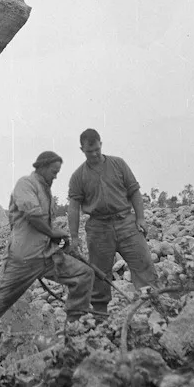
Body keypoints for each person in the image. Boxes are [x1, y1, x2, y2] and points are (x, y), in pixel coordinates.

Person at [0, 150, 95, 351]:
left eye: (58, 172)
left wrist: (58, 241)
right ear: (41, 167)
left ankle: (72, 331)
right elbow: (33, 216)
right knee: (1, 300)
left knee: (84, 274)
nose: (56, 175)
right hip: (23, 259)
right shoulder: (26, 184)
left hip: (47, 256)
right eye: (53, 171)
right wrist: (54, 232)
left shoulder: (45, 190)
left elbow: (43, 228)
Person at [67, 128, 158, 318]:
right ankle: (102, 319)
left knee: (144, 265)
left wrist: (140, 218)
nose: (93, 154)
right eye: (88, 151)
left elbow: (134, 191)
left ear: (101, 144)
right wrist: (74, 237)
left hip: (126, 223)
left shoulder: (118, 164)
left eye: (96, 150)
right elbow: (74, 207)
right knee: (99, 277)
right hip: (98, 229)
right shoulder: (78, 176)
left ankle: (152, 311)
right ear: (81, 149)